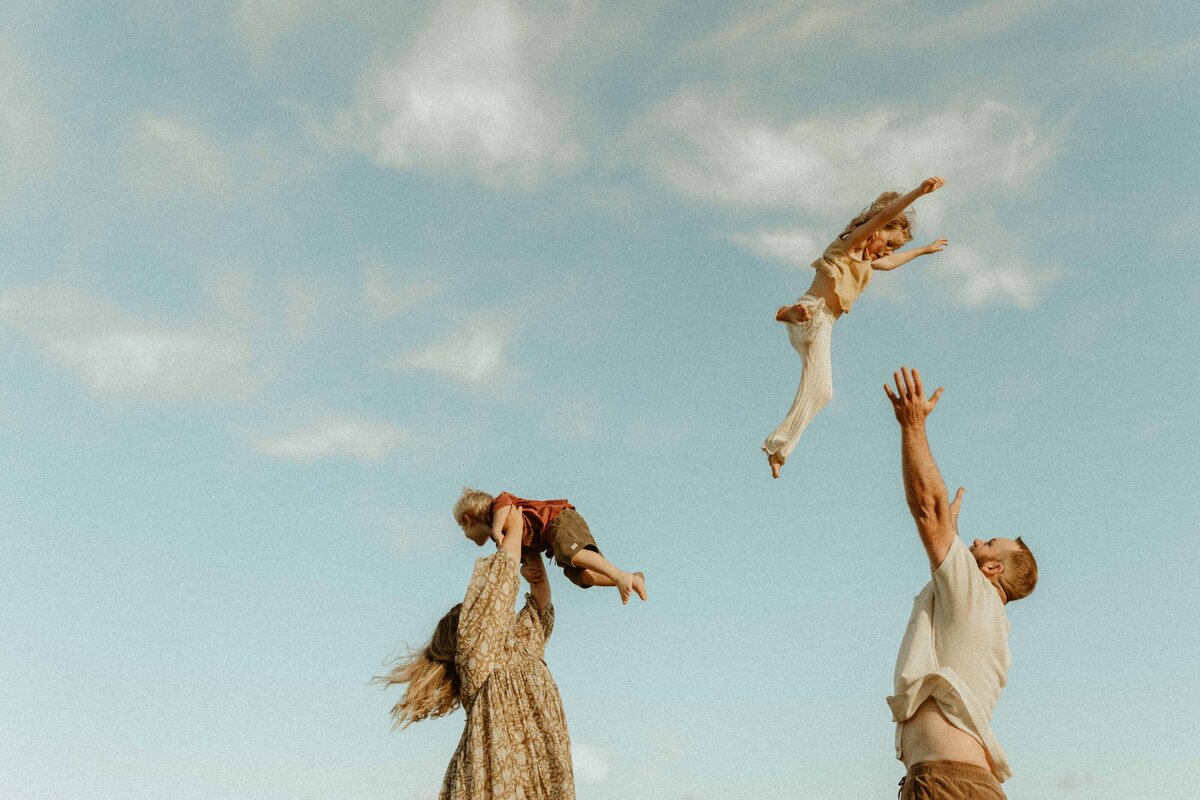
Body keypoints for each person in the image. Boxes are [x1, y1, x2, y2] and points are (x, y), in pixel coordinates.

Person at [883, 366, 1038, 799]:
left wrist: (913, 425)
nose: (975, 539)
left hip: (950, 785)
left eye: (988, 543)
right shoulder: (975, 611)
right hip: (949, 783)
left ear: (993, 571)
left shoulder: (975, 599)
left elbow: (929, 510)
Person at [764, 177, 949, 478]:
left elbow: (889, 264)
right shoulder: (851, 242)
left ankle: (778, 448)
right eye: (888, 244)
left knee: (822, 392)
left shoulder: (869, 261)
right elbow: (882, 217)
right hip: (814, 313)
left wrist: (923, 251)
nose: (887, 252)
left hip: (822, 327)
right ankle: (790, 313)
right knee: (811, 320)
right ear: (877, 231)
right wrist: (917, 193)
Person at [375, 526, 575, 799]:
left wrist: (531, 553)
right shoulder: (477, 664)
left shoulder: (525, 642)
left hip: (540, 768)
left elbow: (539, 595)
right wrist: (514, 528)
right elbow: (496, 593)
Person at [453, 488, 646, 604]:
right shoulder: (509, 536)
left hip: (557, 520)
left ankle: (620, 576)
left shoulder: (495, 510)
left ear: (467, 519)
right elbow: (525, 561)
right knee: (581, 576)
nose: (465, 535)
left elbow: (504, 502)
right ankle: (630, 578)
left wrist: (496, 530)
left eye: (462, 528)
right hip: (552, 540)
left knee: (573, 555)